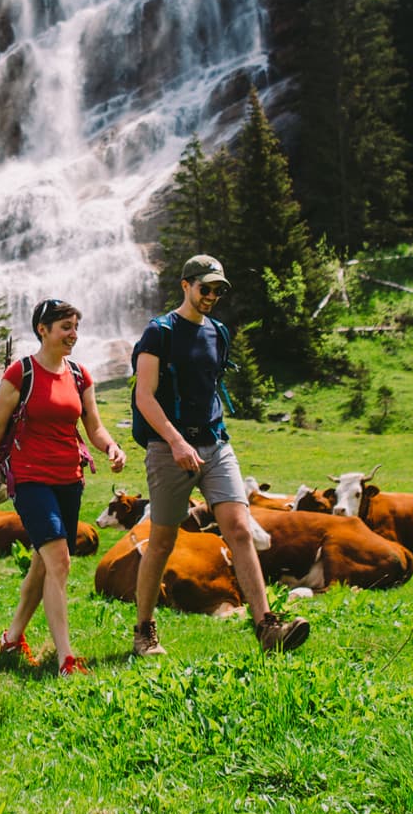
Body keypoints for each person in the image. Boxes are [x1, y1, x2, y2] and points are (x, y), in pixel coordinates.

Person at [129, 255, 308, 656]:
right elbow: (144, 396)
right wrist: (176, 442)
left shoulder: (219, 333)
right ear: (186, 286)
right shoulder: (159, 333)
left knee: (240, 529)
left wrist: (210, 437)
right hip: (168, 447)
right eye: (204, 288)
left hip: (214, 444)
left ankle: (266, 626)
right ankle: (144, 631)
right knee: (161, 541)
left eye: (217, 290)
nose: (210, 296)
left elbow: (209, 388)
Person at [0, 298, 127, 675]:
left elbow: (94, 426)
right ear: (43, 329)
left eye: (76, 327)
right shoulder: (20, 374)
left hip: (69, 478)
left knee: (42, 564)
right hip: (29, 477)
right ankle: (66, 659)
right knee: (59, 560)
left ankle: (11, 639)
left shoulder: (79, 375)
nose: (73, 335)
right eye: (65, 327)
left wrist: (111, 446)